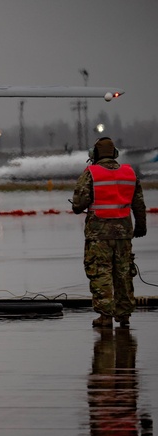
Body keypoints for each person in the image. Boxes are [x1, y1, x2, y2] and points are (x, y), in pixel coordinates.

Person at [71, 137, 147, 328]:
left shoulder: (91, 173)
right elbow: (139, 203)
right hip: (123, 235)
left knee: (101, 274)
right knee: (123, 274)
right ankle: (124, 316)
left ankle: (105, 317)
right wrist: (141, 226)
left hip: (99, 236)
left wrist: (78, 205)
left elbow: (79, 204)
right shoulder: (129, 173)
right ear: (115, 154)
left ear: (95, 155)